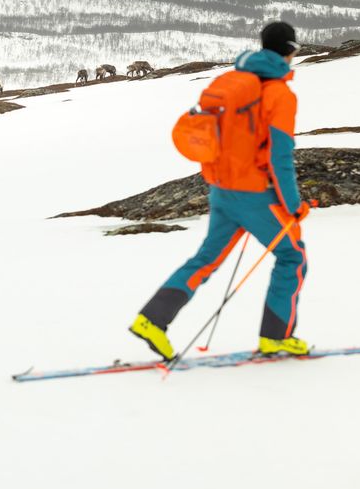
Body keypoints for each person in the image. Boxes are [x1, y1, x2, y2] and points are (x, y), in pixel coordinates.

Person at [130, 21, 309, 360]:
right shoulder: (279, 95)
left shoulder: (233, 81)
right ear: (289, 51)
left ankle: (152, 319)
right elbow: (279, 155)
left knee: (206, 259)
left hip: (221, 189)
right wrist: (293, 204)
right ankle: (277, 337)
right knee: (292, 256)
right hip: (255, 194)